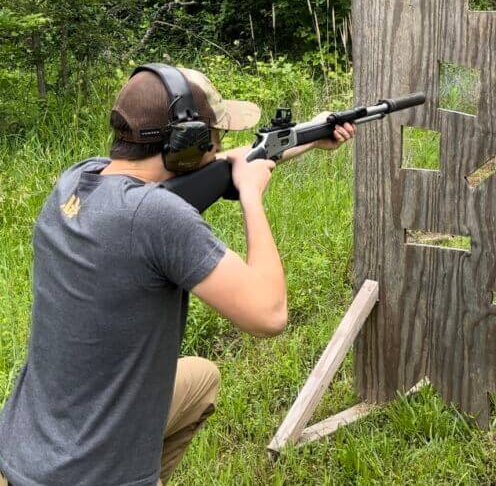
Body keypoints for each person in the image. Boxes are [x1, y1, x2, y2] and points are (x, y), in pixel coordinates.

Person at [0, 66, 355, 486]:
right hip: (86, 475)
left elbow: (226, 163)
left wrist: (308, 137)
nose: (218, 144)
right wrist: (252, 199)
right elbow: (270, 314)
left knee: (200, 378)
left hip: (21, 453)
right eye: (212, 135)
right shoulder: (158, 218)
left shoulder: (76, 181)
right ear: (186, 144)